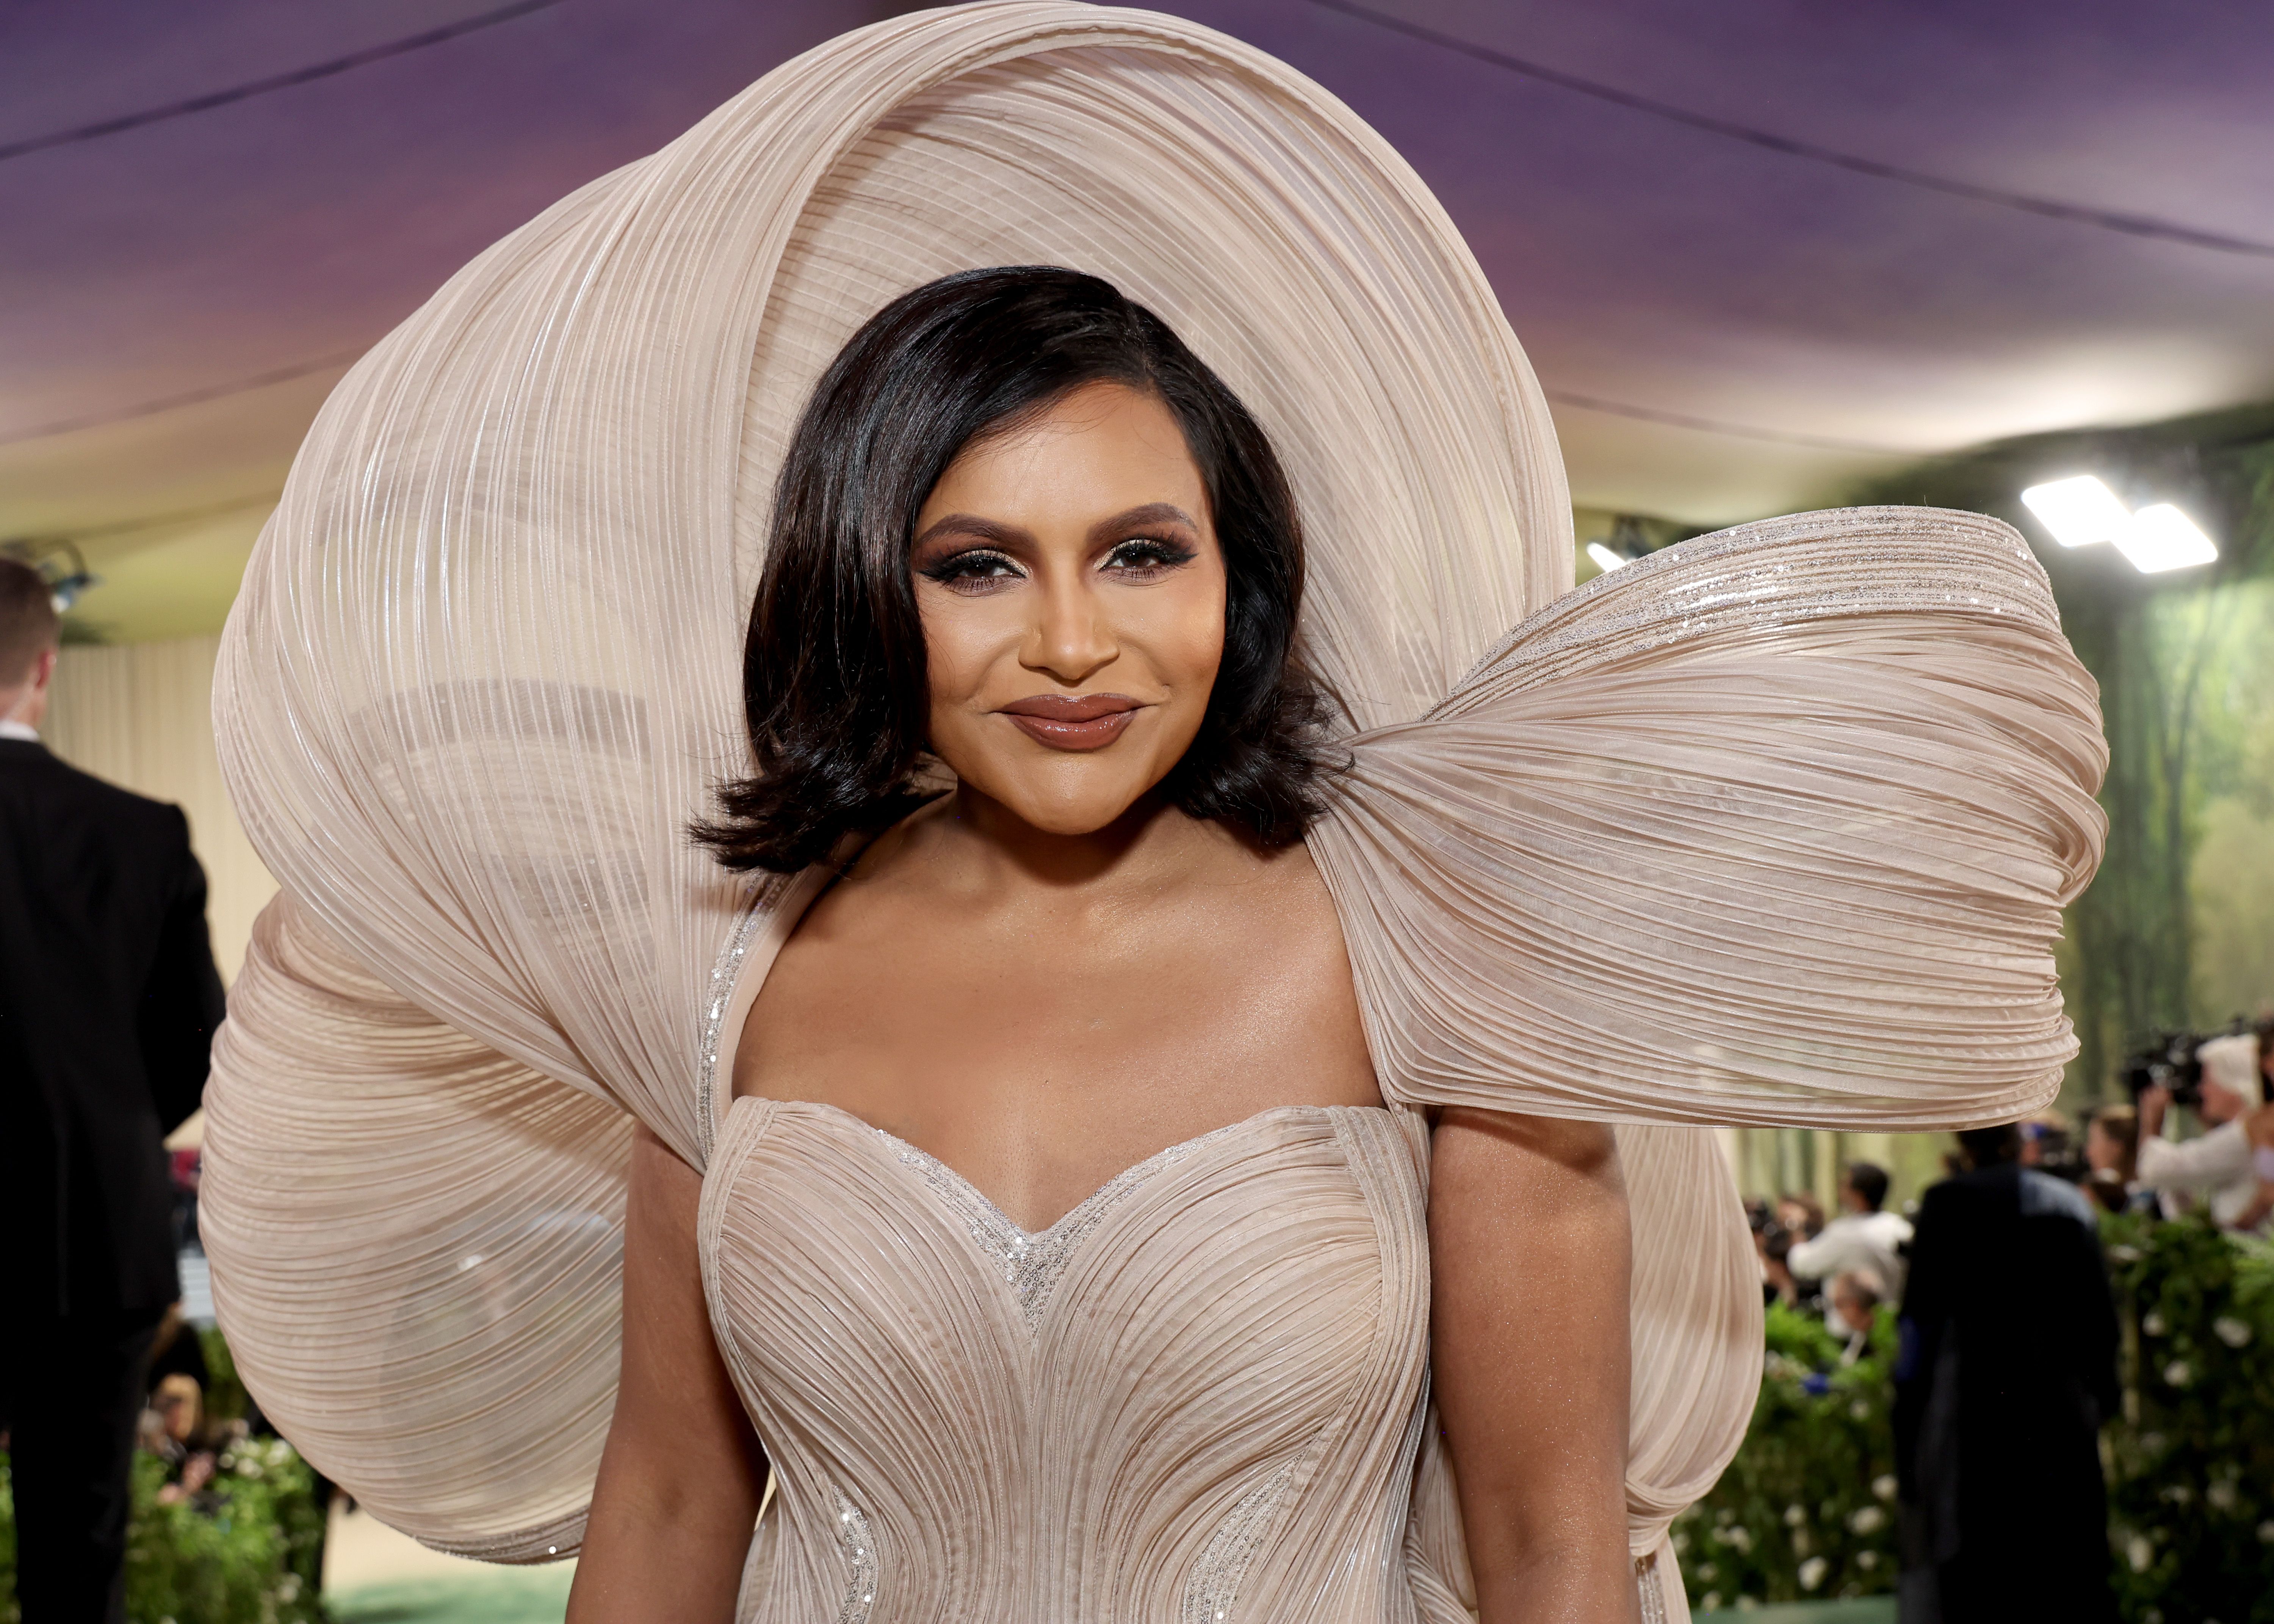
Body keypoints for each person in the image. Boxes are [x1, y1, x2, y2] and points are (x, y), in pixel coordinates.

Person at [193, 8, 2108, 1621]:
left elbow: (1547, 1537)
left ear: (1238, 574)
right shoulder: (714, 985)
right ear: (869, 586)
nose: (1074, 641)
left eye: (1138, 550)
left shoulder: (1444, 958)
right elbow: (677, 1505)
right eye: (977, 563)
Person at [0, 558, 227, 1622]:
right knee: (79, 1557)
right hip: (99, 1229)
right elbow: (198, 1044)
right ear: (44, 667)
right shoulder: (145, 835)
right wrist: (110, 1127)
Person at [1894, 1124, 2119, 1624]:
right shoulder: (2065, 1203)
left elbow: (1919, 1320)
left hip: (1974, 1410)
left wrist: (1908, 1413)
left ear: (1962, 1144)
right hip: (2060, 1403)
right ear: (2022, 1141)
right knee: (2064, 1556)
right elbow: (2099, 1316)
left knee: (1982, 1563)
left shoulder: (1946, 1202)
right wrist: (2104, 1395)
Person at [2136, 1033, 2266, 1231]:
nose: (2202, 1090)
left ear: (2231, 1084)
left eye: (2208, 1081)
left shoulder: (2242, 1135)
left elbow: (2157, 1171)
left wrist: (2152, 1125)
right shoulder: (2252, 1129)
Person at [1789, 1161, 1913, 1305]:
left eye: (1844, 1185)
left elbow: (1801, 1264)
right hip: (1891, 1319)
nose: (1840, 1189)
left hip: (1850, 1324)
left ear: (1858, 1195)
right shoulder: (1901, 1228)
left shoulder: (1845, 1234)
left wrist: (1796, 1227)